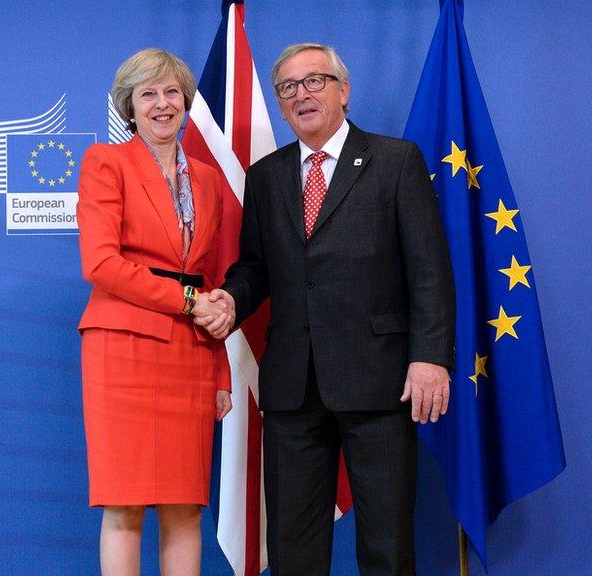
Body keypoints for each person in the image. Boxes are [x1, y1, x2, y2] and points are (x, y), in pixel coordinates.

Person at [198, 44, 456, 575]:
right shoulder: (266, 177)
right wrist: (230, 297)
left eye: (314, 81)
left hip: (381, 381)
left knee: (386, 544)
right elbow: (256, 269)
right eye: (289, 88)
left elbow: (428, 270)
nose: (302, 95)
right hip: (293, 386)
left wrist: (431, 357)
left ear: (344, 90)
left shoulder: (395, 161)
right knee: (292, 546)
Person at [76, 48, 234, 576]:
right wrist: (188, 301)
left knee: (185, 504)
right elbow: (100, 264)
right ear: (130, 106)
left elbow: (209, 283)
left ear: (185, 100)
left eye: (171, 92)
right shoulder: (106, 162)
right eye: (148, 94)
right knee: (123, 505)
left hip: (191, 357)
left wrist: (222, 369)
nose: (162, 104)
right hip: (122, 351)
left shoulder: (210, 180)